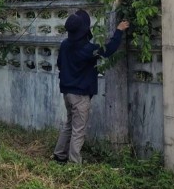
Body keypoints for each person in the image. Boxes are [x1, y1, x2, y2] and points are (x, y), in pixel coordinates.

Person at [53, 9, 130, 165]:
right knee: (78, 129)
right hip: (80, 95)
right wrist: (119, 30)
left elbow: (60, 64)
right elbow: (108, 50)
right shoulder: (87, 49)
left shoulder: (65, 45)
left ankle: (59, 154)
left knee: (69, 124)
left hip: (67, 92)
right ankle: (74, 163)